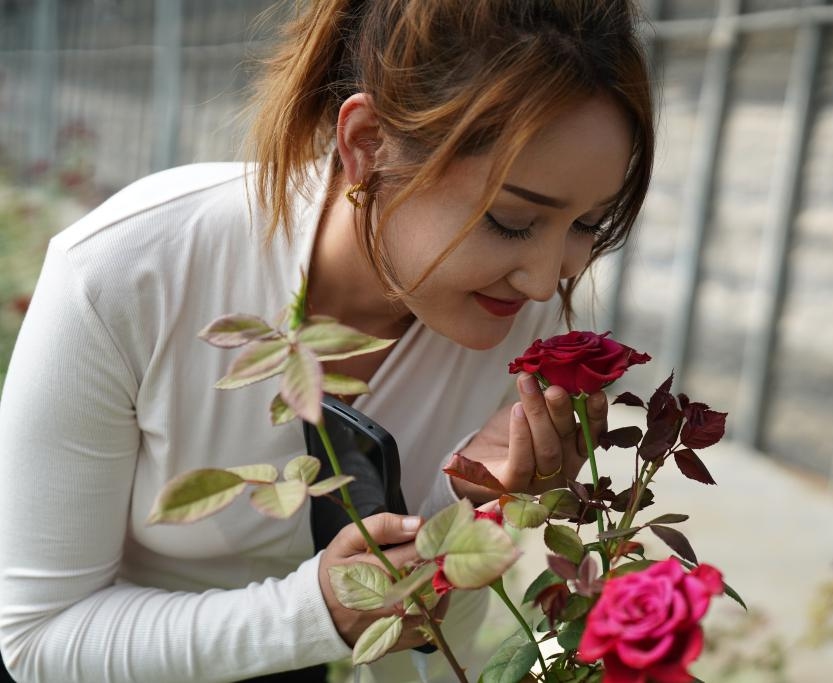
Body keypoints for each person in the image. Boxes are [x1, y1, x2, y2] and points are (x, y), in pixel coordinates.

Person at [0, 0, 654, 680]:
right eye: (514, 221)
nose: (549, 282)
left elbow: (430, 658)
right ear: (367, 143)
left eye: (589, 225)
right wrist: (318, 612)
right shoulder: (132, 273)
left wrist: (467, 511)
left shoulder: (521, 326)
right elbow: (41, 638)